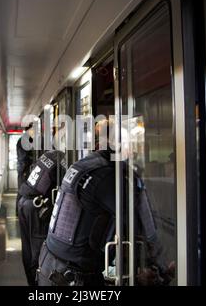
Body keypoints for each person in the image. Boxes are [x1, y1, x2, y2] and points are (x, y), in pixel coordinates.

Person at [37, 121, 174, 286]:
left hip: (52, 266)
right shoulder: (106, 176)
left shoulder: (84, 165)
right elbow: (137, 226)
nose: (132, 150)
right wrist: (162, 265)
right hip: (72, 277)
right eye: (127, 143)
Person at [18, 150, 66, 285]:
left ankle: (31, 282)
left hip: (24, 201)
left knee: (27, 250)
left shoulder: (48, 155)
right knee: (38, 252)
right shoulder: (61, 158)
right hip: (36, 207)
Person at [16, 125, 35, 214]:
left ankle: (20, 211)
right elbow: (23, 157)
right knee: (22, 190)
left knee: (23, 190)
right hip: (24, 169)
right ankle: (19, 212)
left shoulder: (26, 140)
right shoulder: (24, 140)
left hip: (24, 168)